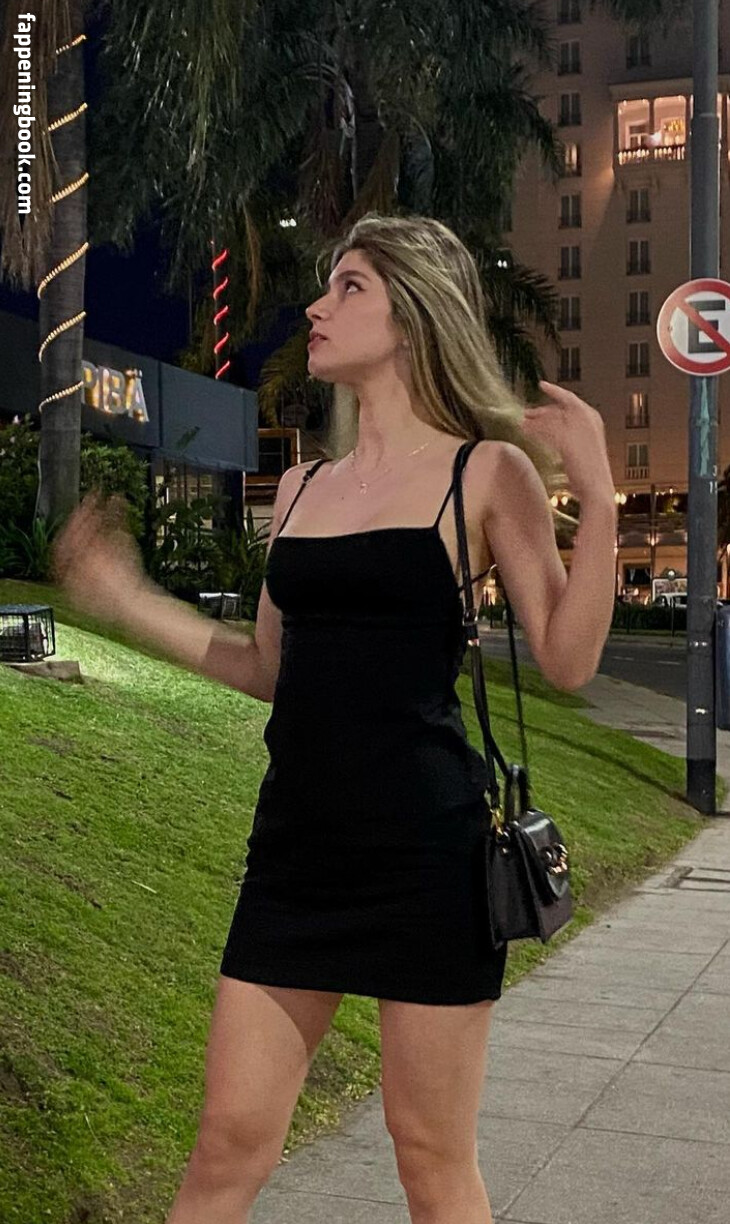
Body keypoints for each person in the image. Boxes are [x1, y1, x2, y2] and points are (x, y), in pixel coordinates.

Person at [52, 212, 617, 1224]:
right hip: (297, 855)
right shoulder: (301, 486)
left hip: (430, 858)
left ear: (413, 316)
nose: (316, 307)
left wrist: (602, 500)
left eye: (349, 287)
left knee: (430, 1158)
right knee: (227, 1143)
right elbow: (267, 668)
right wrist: (128, 599)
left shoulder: (484, 474)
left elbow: (568, 660)